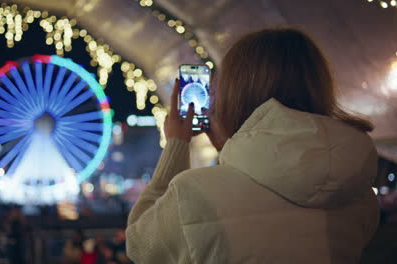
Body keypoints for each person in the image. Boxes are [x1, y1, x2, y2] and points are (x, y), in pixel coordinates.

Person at [126, 28, 379, 263]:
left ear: (236, 93)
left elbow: (139, 247)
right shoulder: (357, 190)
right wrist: (230, 149)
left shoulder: (191, 192)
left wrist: (176, 145)